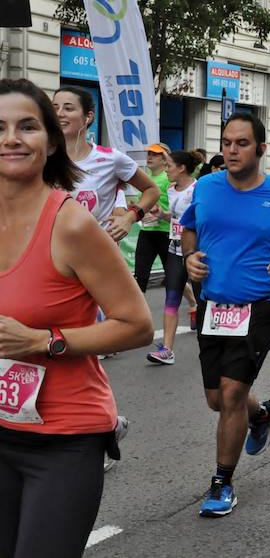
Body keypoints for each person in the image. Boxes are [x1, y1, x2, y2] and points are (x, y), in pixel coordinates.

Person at [0, 78, 153, 557]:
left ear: (50, 141)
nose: (11, 138)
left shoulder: (70, 224)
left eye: (27, 126)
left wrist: (44, 343)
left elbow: (136, 324)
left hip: (62, 440)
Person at [181, 113, 270, 517]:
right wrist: (190, 257)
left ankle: (222, 482)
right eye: (226, 142)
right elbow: (189, 229)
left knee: (232, 393)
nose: (232, 150)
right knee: (216, 399)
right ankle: (263, 414)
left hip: (262, 305)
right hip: (214, 305)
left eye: (241, 143)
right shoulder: (206, 187)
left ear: (260, 148)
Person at [52, 85, 160, 242]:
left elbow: (152, 190)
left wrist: (129, 218)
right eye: (54, 108)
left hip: (96, 253)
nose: (59, 114)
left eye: (68, 108)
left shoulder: (111, 159)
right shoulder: (41, 158)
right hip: (52, 253)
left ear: (88, 117)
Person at [146, 150, 200, 365]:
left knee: (204, 299)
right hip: (174, 250)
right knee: (171, 298)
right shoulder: (170, 189)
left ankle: (211, 346)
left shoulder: (198, 189)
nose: (166, 170)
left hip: (196, 254)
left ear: (182, 168)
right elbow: (175, 217)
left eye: (169, 166)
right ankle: (166, 349)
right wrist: (162, 215)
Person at [133, 142, 172, 293]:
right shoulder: (146, 179)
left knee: (173, 278)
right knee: (140, 276)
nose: (149, 157)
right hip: (147, 232)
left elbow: (179, 204)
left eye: (155, 154)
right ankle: (136, 316)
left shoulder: (169, 178)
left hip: (166, 233)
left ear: (164, 159)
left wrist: (162, 214)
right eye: (149, 154)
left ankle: (193, 303)